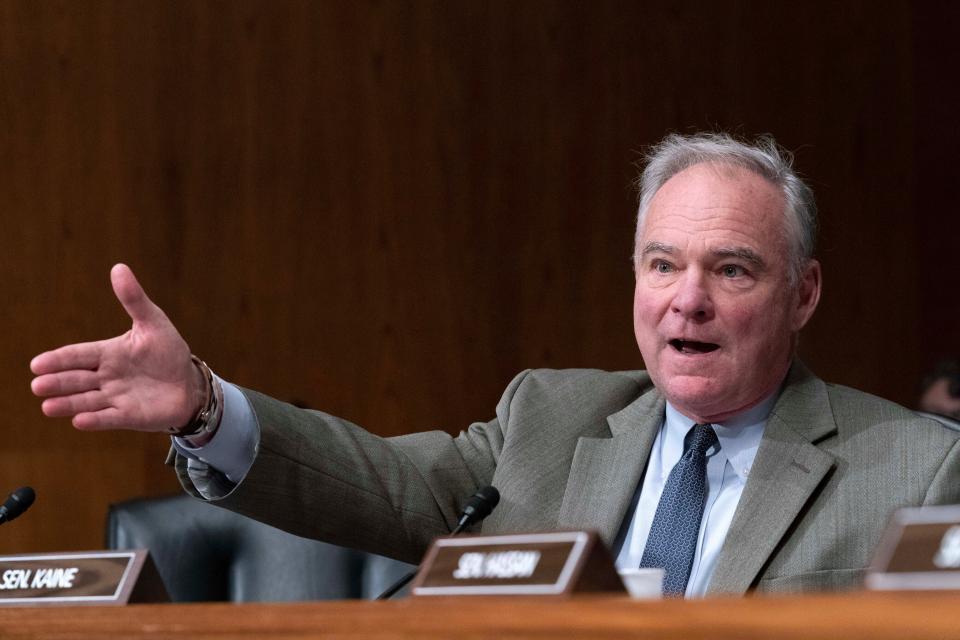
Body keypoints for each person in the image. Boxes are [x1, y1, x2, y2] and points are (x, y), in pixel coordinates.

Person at [30, 133, 960, 597]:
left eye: (733, 270)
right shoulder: (548, 421)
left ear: (802, 296)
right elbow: (379, 483)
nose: (688, 300)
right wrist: (202, 405)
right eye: (663, 264)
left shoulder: (913, 466)